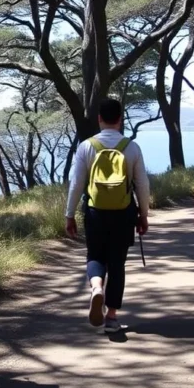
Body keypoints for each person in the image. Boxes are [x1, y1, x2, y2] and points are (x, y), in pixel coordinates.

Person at [65, 98, 150, 334]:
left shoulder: (86, 146)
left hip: (94, 211)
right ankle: (112, 316)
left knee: (95, 255)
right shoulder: (131, 147)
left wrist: (69, 214)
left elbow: (76, 184)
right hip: (123, 214)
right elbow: (142, 185)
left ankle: (96, 288)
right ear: (120, 119)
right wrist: (143, 215)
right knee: (117, 263)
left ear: (99, 119)